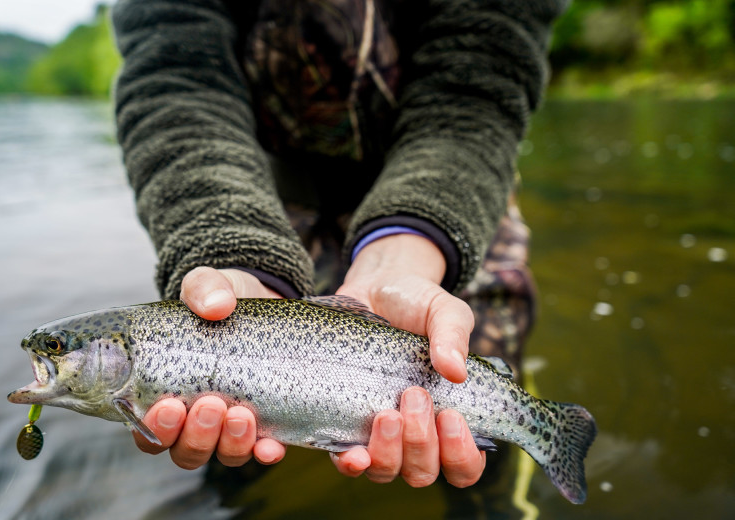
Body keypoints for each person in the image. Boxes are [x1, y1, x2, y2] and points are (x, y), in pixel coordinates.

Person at [111, 0, 566, 489]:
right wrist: (233, 254)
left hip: (451, 190)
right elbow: (177, 86)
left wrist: (408, 248)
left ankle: (507, 473)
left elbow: (476, 86)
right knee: (218, 429)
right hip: (255, 198)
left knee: (469, 385)